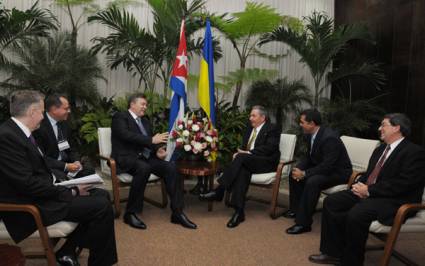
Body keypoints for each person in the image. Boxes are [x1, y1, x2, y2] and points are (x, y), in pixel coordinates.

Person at [0, 90, 117, 266]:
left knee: (102, 196)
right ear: (32, 112)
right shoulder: (7, 137)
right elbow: (27, 184)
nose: (43, 116)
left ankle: (67, 251)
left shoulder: (20, 132)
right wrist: (71, 190)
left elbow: (39, 169)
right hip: (30, 205)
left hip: (43, 194)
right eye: (41, 111)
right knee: (101, 206)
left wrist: (67, 183)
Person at [309, 113, 425, 266]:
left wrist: (370, 190)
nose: (379, 128)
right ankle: (333, 253)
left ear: (397, 128)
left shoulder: (414, 152)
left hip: (395, 200)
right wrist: (359, 184)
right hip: (371, 192)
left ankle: (352, 261)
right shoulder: (380, 149)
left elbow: (404, 184)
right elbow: (370, 174)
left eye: (383, 125)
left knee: (357, 213)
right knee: (332, 202)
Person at [111, 93, 196, 230]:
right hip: (126, 158)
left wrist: (157, 150)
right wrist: (151, 140)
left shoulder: (144, 120)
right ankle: (130, 213)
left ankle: (177, 212)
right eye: (142, 104)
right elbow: (125, 135)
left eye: (146, 104)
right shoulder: (120, 117)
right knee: (143, 168)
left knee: (171, 167)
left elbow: (150, 141)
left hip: (145, 157)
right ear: (132, 104)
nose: (145, 107)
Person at [199, 105, 280, 228]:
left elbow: (269, 148)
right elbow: (244, 146)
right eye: (250, 115)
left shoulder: (272, 128)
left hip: (266, 162)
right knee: (242, 170)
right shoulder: (249, 128)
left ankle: (219, 191)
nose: (250, 118)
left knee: (241, 158)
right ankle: (239, 211)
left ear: (263, 117)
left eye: (253, 116)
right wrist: (241, 152)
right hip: (248, 162)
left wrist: (246, 153)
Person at [284, 109, 352, 234]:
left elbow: (328, 166)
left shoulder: (330, 138)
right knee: (293, 173)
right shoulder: (311, 133)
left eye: (302, 122)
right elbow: (310, 157)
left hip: (339, 173)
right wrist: (299, 169)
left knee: (312, 181)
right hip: (323, 167)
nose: (300, 124)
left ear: (312, 123)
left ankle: (304, 223)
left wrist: (305, 173)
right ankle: (296, 209)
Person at [33, 94, 95, 181]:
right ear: (54, 109)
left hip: (67, 163)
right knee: (60, 177)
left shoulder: (64, 123)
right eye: (66, 109)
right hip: (51, 166)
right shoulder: (38, 126)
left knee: (89, 170)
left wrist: (76, 161)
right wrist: (65, 166)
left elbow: (72, 148)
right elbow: (41, 157)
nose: (69, 111)